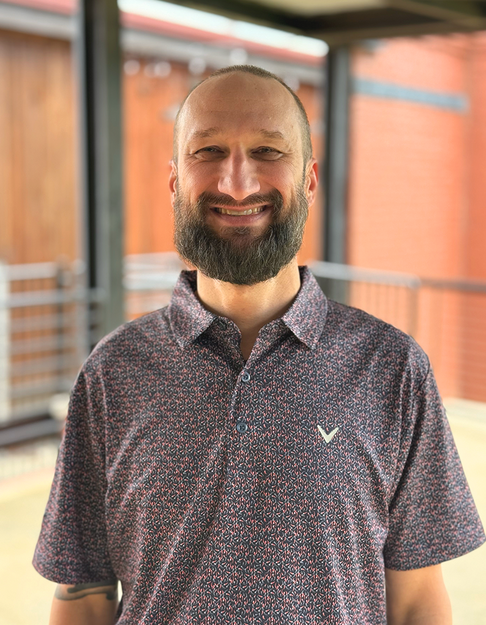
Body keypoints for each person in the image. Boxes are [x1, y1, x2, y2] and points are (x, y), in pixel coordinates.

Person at [34, 65, 485, 625]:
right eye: (209, 152)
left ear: (310, 181)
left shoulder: (392, 369)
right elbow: (83, 598)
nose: (237, 183)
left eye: (268, 151)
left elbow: (416, 602)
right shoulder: (113, 372)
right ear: (174, 182)